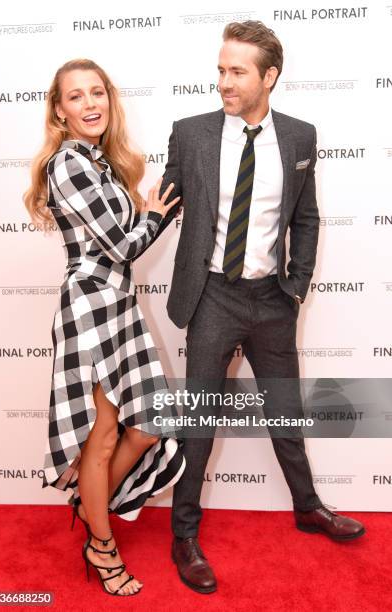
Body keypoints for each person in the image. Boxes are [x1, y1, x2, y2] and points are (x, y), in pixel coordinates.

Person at [156, 21, 365, 594]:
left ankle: (306, 507)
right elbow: (163, 206)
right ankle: (184, 534)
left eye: (236, 71)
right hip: (213, 296)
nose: (223, 80)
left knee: (285, 412)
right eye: (220, 69)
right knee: (199, 420)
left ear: (269, 77)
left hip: (271, 299)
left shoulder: (299, 137)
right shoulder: (191, 133)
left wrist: (295, 286)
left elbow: (306, 216)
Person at [23, 59, 185, 597]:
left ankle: (92, 512)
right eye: (76, 96)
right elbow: (121, 246)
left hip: (118, 302)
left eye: (98, 93)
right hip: (90, 307)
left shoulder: (102, 164)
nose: (91, 104)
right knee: (105, 434)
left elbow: (117, 241)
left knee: (146, 425)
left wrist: (143, 214)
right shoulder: (68, 164)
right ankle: (102, 543)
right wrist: (156, 218)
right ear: (59, 111)